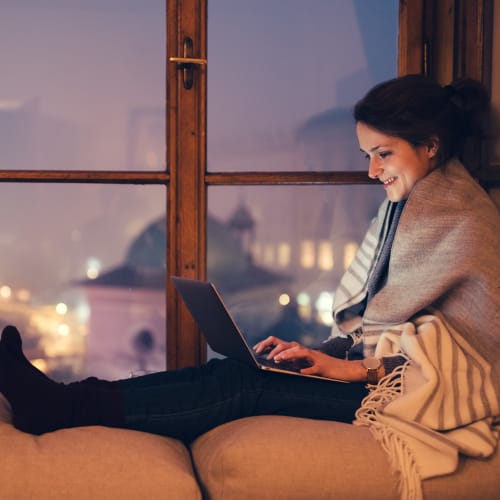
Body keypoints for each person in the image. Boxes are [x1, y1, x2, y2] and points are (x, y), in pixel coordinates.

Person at [1, 75, 499, 499]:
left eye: (382, 153)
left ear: (431, 144)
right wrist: (318, 354)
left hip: (417, 398)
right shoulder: (411, 208)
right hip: (382, 378)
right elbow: (390, 326)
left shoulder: (459, 219)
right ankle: (67, 399)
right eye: (368, 154)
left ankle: (60, 407)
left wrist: (347, 371)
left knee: (244, 385)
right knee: (234, 368)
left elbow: (465, 363)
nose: (372, 170)